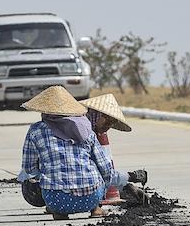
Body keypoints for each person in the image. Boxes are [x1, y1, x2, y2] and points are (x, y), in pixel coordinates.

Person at [17, 86, 145, 219]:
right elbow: (107, 173)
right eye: (108, 120)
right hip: (91, 198)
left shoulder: (36, 130)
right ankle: (95, 209)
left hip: (55, 200)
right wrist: (130, 179)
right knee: (95, 167)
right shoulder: (87, 131)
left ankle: (58, 211)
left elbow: (28, 169)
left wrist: (48, 178)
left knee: (43, 175)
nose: (109, 125)